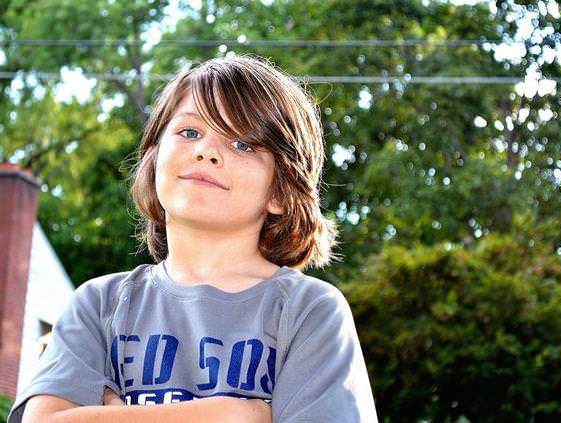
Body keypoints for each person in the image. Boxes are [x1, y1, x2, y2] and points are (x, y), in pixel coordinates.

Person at [8, 53, 379, 423]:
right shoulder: (98, 305)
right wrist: (235, 414)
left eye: (243, 144)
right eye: (190, 132)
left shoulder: (308, 312)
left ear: (280, 193)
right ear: (153, 160)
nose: (206, 151)